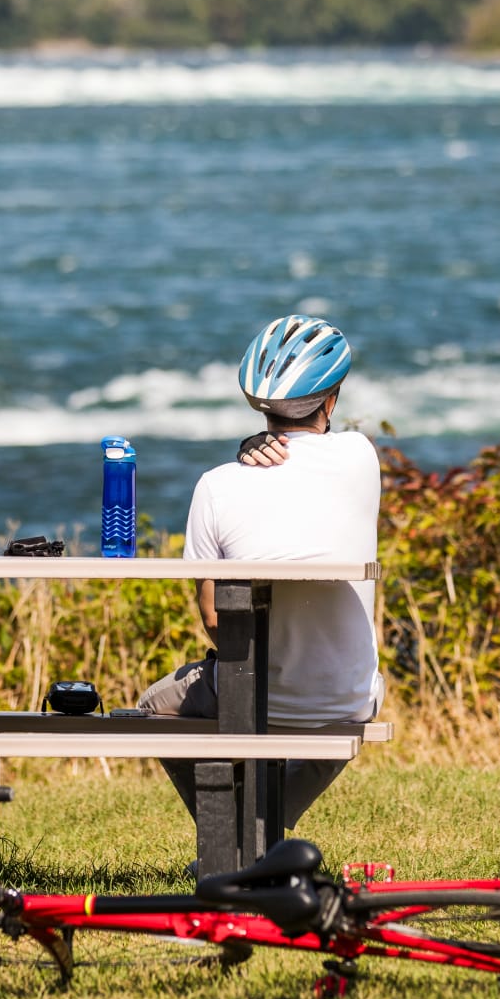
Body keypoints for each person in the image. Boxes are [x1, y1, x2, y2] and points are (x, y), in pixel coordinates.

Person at [138, 313, 383, 831]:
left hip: (254, 695)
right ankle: (266, 828)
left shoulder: (216, 486)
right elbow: (316, 456)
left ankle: (237, 829)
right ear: (331, 400)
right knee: (354, 696)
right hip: (349, 698)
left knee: (151, 708)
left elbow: (214, 620)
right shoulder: (363, 458)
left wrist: (247, 449)